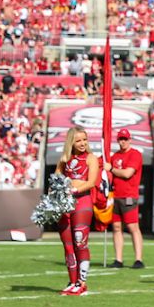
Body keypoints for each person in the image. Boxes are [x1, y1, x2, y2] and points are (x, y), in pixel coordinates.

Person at [55, 126, 99, 296]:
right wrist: (58, 191)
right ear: (71, 142)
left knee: (80, 242)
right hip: (65, 204)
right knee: (68, 246)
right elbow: (56, 178)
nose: (82, 143)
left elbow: (91, 182)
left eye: (84, 140)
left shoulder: (91, 158)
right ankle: (72, 282)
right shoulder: (64, 159)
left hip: (82, 203)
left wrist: (74, 189)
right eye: (78, 140)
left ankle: (82, 282)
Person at [108, 129, 145, 269]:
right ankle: (118, 259)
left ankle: (138, 259)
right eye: (120, 139)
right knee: (116, 227)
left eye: (125, 139)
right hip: (115, 195)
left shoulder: (135, 154)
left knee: (132, 226)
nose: (123, 141)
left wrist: (110, 168)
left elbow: (127, 173)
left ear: (130, 139)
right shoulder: (115, 155)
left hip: (129, 196)